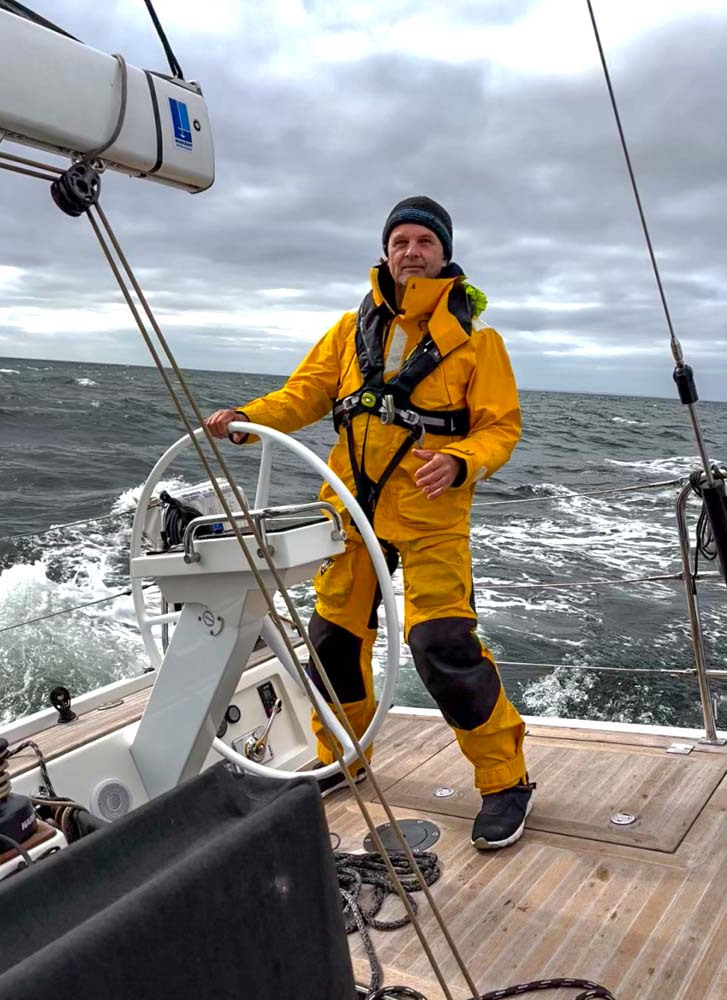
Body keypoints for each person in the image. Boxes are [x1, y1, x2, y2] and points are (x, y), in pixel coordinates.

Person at [206, 196, 534, 849]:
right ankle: (343, 757)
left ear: (444, 254)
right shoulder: (347, 332)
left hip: (432, 515)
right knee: (332, 642)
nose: (411, 252)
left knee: (441, 646)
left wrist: (461, 460)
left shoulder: (479, 342)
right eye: (400, 241)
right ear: (386, 252)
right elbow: (303, 394)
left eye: (424, 242)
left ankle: (506, 781)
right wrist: (245, 420)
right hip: (351, 512)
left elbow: (500, 428)